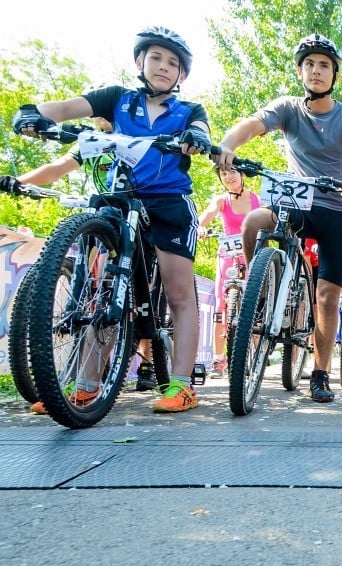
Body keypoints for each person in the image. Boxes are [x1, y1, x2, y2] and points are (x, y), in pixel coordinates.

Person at [11, 26, 212, 414]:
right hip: (120, 201)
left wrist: (196, 138)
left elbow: (200, 131)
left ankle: (183, 386)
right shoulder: (116, 99)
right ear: (140, 61)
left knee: (179, 293)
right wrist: (32, 113)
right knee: (100, 288)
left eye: (173, 63)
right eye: (156, 58)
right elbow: (64, 108)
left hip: (169, 202)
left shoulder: (190, 110)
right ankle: (86, 385)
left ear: (182, 75)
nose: (164, 67)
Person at [214, 34, 342, 404]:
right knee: (254, 222)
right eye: (309, 64)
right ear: (300, 71)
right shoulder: (288, 108)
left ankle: (320, 373)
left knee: (326, 296)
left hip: (337, 209)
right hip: (296, 203)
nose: (316, 71)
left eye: (324, 65)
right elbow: (252, 125)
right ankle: (260, 285)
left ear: (334, 73)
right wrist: (228, 144)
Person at [0, 116, 163, 395]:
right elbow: (58, 168)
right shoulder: (89, 142)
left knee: (143, 285)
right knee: (100, 285)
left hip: (141, 216)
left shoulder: (137, 135)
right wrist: (17, 181)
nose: (98, 118)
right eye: (94, 114)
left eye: (104, 113)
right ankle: (81, 379)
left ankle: (144, 347)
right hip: (107, 218)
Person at [197, 165, 261, 377]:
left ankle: (254, 355)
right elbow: (205, 217)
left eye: (232, 172)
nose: (229, 177)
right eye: (224, 174)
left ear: (242, 175)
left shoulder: (256, 200)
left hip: (251, 256)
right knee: (220, 306)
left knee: (255, 305)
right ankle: (218, 359)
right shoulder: (220, 200)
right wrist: (202, 227)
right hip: (227, 257)